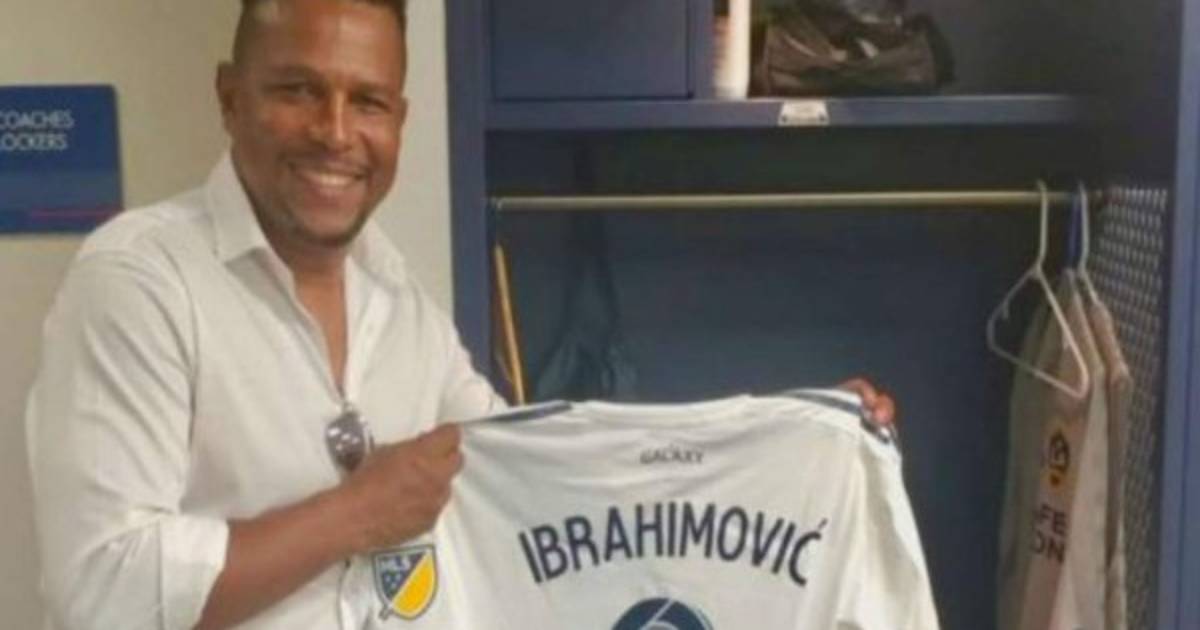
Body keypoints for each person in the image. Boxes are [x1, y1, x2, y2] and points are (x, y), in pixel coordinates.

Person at [24, 1, 895, 628]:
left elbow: (541, 466)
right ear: (229, 97)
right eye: (297, 89)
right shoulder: (141, 282)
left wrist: (792, 433)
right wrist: (355, 514)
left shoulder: (396, 299)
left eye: (368, 101)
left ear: (399, 120)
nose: (336, 132)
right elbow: (103, 587)